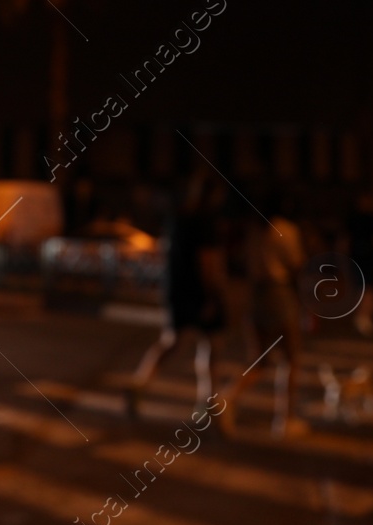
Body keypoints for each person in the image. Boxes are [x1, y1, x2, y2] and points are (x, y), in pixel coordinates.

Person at [127, 174, 226, 418]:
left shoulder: (177, 217)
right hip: (198, 291)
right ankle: (207, 401)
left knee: (171, 340)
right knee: (210, 344)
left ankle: (140, 382)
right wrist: (212, 294)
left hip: (175, 288)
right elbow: (207, 261)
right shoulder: (205, 221)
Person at [219, 198, 308, 438]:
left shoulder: (252, 230)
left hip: (257, 295)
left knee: (259, 361)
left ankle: (227, 397)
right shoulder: (287, 230)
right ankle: (285, 419)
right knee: (290, 360)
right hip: (280, 294)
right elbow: (297, 266)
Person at [347, 191, 373, 336]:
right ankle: (363, 317)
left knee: (360, 288)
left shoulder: (353, 219)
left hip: (356, 257)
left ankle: (360, 317)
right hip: (370, 258)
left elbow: (345, 240)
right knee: (370, 289)